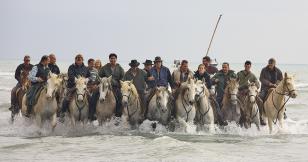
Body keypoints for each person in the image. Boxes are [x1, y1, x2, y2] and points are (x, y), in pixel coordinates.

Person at [59, 54, 90, 122]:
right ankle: (62, 113)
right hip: (72, 86)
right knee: (66, 99)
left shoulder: (86, 68)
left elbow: (89, 76)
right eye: (77, 59)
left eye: (80, 59)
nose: (79, 60)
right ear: (75, 60)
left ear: (82, 60)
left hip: (82, 87)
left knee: (90, 97)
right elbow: (70, 75)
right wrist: (76, 80)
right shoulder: (71, 67)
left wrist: (88, 79)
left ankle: (91, 114)